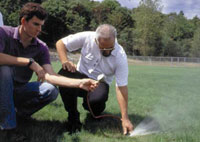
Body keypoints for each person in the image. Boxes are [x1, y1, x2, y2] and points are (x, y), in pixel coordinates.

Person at [0, 2, 98, 139]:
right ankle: (8, 129)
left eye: (41, 25)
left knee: (50, 90)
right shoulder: (4, 33)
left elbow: (50, 75)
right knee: (4, 70)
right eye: (36, 24)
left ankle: (16, 115)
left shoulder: (41, 47)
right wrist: (29, 62)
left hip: (18, 90)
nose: (39, 29)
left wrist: (79, 83)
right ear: (23, 21)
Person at [56, 24, 134, 135]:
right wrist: (65, 61)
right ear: (96, 40)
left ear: (115, 40)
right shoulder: (87, 37)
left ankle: (92, 109)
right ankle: (73, 116)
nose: (107, 51)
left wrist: (125, 118)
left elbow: (121, 87)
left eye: (110, 48)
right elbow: (61, 43)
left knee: (96, 101)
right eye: (103, 48)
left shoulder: (120, 56)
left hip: (99, 83)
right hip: (80, 77)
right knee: (64, 74)